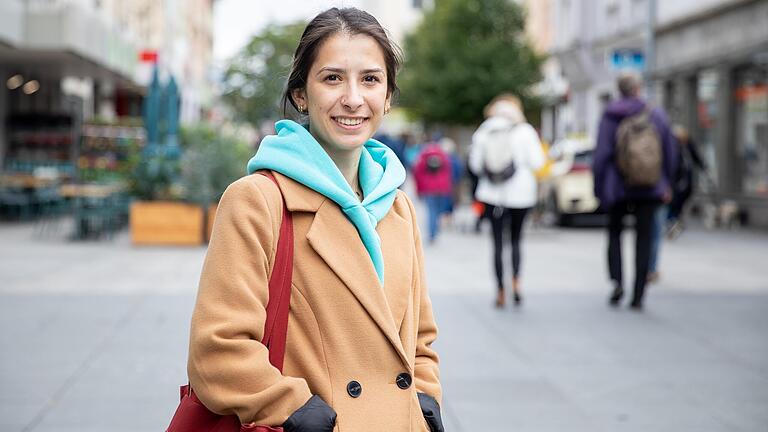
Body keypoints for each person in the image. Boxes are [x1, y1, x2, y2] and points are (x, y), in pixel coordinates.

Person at [187, 8, 443, 432]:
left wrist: (424, 397)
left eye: (370, 79)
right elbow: (217, 349)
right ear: (301, 95)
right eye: (332, 78)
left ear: (388, 96)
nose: (353, 98)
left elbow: (420, 338)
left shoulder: (398, 207)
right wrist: (296, 410)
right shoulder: (258, 201)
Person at [592, 72, 676, 310]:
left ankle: (617, 282)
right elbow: (669, 151)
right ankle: (639, 292)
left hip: (616, 187)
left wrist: (599, 188)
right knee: (645, 237)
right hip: (649, 186)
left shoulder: (610, 115)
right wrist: (666, 183)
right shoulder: (655, 114)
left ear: (619, 90)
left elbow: (601, 155)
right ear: (638, 89)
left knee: (615, 235)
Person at [469, 94, 545, 308]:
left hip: (492, 195)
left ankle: (500, 290)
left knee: (497, 243)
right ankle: (517, 283)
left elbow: (475, 166)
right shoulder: (526, 131)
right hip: (522, 195)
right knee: (516, 240)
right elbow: (538, 163)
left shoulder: (484, 130)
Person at [666, 124, 707, 238]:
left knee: (683, 198)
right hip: (676, 179)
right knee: (674, 200)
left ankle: (675, 218)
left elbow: (696, 156)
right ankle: (672, 220)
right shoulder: (673, 146)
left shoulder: (688, 145)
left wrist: (704, 166)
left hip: (686, 180)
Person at [412, 137, 453, 243]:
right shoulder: (443, 155)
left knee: (431, 211)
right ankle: (435, 230)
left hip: (428, 188)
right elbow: (448, 172)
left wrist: (419, 189)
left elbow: (417, 173)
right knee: (438, 210)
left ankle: (432, 233)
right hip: (442, 188)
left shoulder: (423, 156)